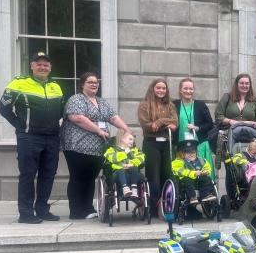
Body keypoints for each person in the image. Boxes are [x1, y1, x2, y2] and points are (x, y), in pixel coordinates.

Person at [0, 51, 64, 224]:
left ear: (50, 67)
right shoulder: (19, 83)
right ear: (32, 66)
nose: (42, 67)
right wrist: (21, 125)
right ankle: (26, 213)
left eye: (46, 64)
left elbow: (61, 111)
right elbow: (3, 108)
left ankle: (42, 209)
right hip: (29, 138)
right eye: (39, 64)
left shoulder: (55, 86)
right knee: (28, 175)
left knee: (48, 174)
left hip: (52, 138)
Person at [61, 72, 131, 220]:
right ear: (82, 84)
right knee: (78, 177)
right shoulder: (76, 99)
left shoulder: (101, 102)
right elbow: (77, 118)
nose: (94, 84)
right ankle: (76, 211)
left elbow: (113, 117)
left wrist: (127, 130)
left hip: (97, 148)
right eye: (90, 82)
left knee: (90, 178)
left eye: (96, 82)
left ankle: (87, 208)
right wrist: (98, 130)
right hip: (77, 146)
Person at [138, 79, 179, 212]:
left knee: (167, 173)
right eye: (158, 88)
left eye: (163, 88)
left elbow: (175, 122)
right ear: (153, 89)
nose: (161, 90)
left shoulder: (170, 105)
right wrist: (166, 125)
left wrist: (160, 121)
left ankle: (166, 205)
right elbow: (147, 126)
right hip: (151, 143)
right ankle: (154, 207)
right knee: (153, 176)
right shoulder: (144, 105)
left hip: (167, 143)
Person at [173, 78, 215, 179]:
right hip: (180, 146)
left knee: (203, 172)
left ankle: (208, 188)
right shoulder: (174, 105)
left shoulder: (200, 104)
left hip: (200, 144)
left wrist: (197, 128)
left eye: (191, 89)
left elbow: (210, 124)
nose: (188, 91)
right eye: (185, 88)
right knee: (184, 174)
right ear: (180, 90)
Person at [172, 139, 217, 205]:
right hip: (185, 182)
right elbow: (180, 171)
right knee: (187, 180)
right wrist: (193, 173)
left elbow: (207, 166)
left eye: (193, 152)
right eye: (188, 152)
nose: (191, 154)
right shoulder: (178, 161)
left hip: (199, 180)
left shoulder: (201, 160)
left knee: (206, 178)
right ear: (182, 153)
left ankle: (206, 195)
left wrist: (206, 171)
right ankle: (192, 197)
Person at [103, 130, 145, 200]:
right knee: (121, 170)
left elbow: (141, 158)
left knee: (135, 168)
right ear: (122, 139)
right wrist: (124, 153)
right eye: (130, 139)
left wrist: (131, 164)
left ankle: (134, 189)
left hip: (132, 174)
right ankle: (125, 188)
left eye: (133, 140)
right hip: (117, 174)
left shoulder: (135, 150)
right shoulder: (112, 150)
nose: (132, 141)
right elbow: (113, 158)